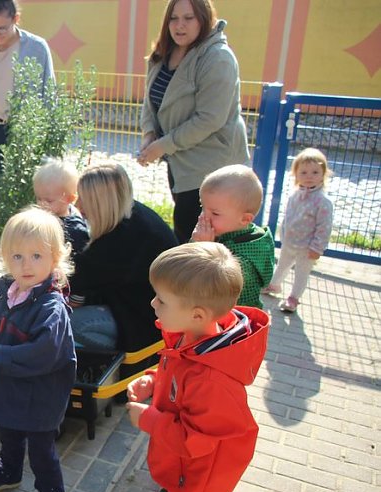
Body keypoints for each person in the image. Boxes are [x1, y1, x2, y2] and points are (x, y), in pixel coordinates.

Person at [126, 241, 270, 492]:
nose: (153, 303)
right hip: (208, 469)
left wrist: (148, 419)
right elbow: (177, 375)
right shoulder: (191, 336)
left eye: (161, 299)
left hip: (197, 473)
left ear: (197, 314)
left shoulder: (211, 379)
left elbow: (195, 441)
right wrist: (152, 380)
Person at [0, 206, 76, 492]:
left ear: (55, 258)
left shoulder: (51, 309)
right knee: (9, 432)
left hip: (41, 394)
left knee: (41, 449)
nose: (26, 265)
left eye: (36, 256)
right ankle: (8, 470)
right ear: (4, 257)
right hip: (12, 384)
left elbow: (42, 354)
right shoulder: (4, 293)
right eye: (16, 257)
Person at [137, 0, 249, 244]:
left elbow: (209, 119)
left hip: (210, 169)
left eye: (188, 18)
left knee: (200, 243)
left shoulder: (218, 58)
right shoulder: (163, 53)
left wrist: (162, 146)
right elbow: (150, 100)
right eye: (174, 18)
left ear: (203, 18)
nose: (179, 26)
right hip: (179, 164)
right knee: (187, 235)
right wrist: (149, 134)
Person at [70, 162, 178, 352]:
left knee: (58, 324)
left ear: (101, 202)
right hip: (141, 309)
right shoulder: (133, 217)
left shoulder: (124, 238)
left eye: (84, 198)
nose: (78, 206)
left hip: (145, 325)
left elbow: (74, 277)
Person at [0, 0, 54, 175]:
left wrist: (47, 139)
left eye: (2, 29)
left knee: (27, 186)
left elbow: (48, 94)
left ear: (16, 19)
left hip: (25, 131)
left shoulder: (37, 48)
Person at [0, 157, 89, 267]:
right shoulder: (52, 215)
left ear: (70, 199)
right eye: (38, 198)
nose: (41, 204)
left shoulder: (73, 230)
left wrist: (2, 253)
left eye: (49, 200)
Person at [191, 164, 274, 309]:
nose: (204, 216)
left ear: (245, 219)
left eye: (215, 213)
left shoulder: (246, 259)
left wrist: (205, 248)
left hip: (236, 322)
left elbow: (213, 282)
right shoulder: (226, 232)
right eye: (202, 207)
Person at [262, 148, 334, 314]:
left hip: (308, 247)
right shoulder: (295, 195)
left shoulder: (322, 202)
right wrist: (284, 234)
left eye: (315, 172)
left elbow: (324, 227)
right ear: (295, 174)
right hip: (290, 242)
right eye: (304, 172)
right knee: (282, 265)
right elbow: (288, 217)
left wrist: (317, 248)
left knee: (302, 272)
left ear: (323, 174)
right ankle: (275, 284)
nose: (309, 176)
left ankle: (294, 298)